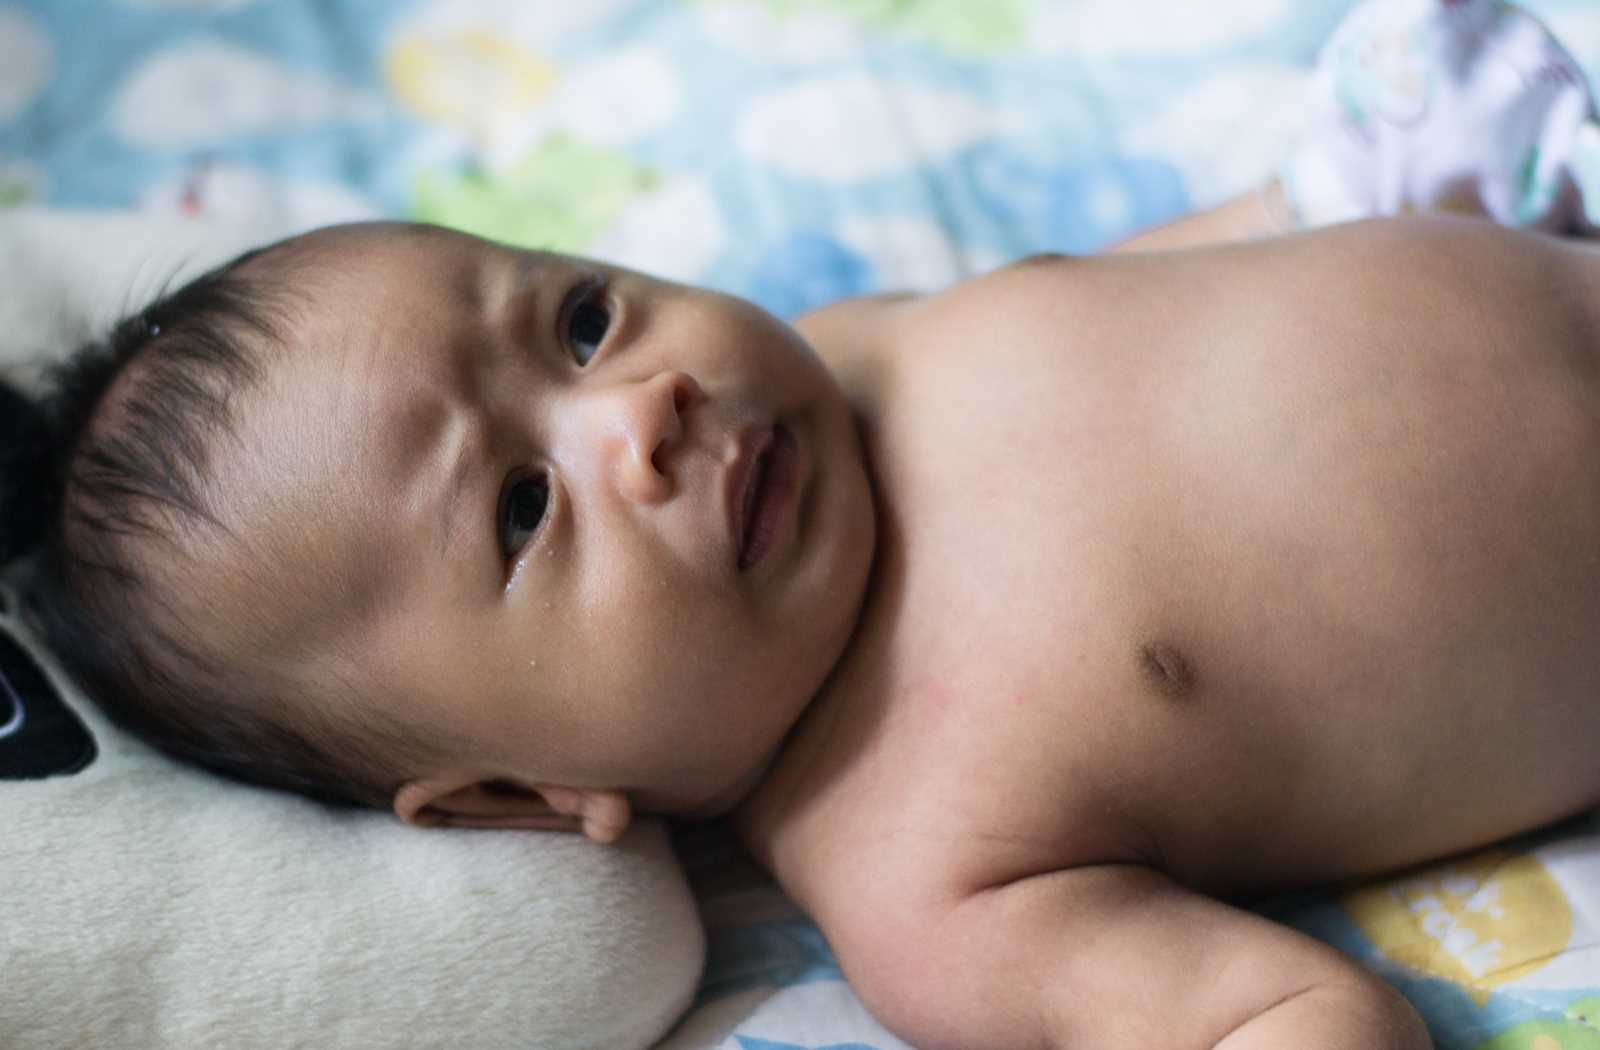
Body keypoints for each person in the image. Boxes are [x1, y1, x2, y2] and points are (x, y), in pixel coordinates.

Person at [5, 1, 1600, 1046]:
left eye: (574, 320)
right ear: (518, 795)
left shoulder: (842, 350)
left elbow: (1133, 294)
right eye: (518, 506)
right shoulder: (923, 863)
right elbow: (1258, 1016)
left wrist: (1357, 172)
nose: (640, 410)